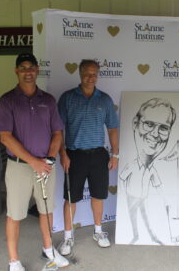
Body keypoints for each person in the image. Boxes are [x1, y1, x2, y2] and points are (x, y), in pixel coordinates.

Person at [0, 53, 68, 271]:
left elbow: (57, 132)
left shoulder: (48, 100)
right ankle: (14, 261)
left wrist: (49, 158)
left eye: (32, 68)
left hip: (46, 165)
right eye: (23, 68)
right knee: (15, 214)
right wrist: (34, 162)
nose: (28, 72)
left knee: (46, 211)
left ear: (37, 70)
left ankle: (48, 249)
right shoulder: (7, 100)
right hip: (19, 167)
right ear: (17, 71)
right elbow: (5, 137)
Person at [58, 59, 119, 254]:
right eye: (87, 73)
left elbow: (112, 128)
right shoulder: (67, 98)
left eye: (94, 74)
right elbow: (58, 129)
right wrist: (62, 154)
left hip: (98, 155)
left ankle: (99, 231)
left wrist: (115, 154)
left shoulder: (105, 99)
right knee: (71, 198)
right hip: (74, 155)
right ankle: (67, 237)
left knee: (98, 196)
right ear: (79, 73)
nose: (91, 77)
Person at [119, 98, 176, 244]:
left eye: (163, 128)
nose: (155, 134)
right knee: (132, 218)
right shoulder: (131, 165)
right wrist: (127, 194)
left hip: (142, 198)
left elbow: (158, 186)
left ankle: (152, 236)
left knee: (146, 217)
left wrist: (165, 200)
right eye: (149, 124)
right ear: (135, 124)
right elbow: (122, 179)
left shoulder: (152, 170)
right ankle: (134, 235)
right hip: (132, 198)